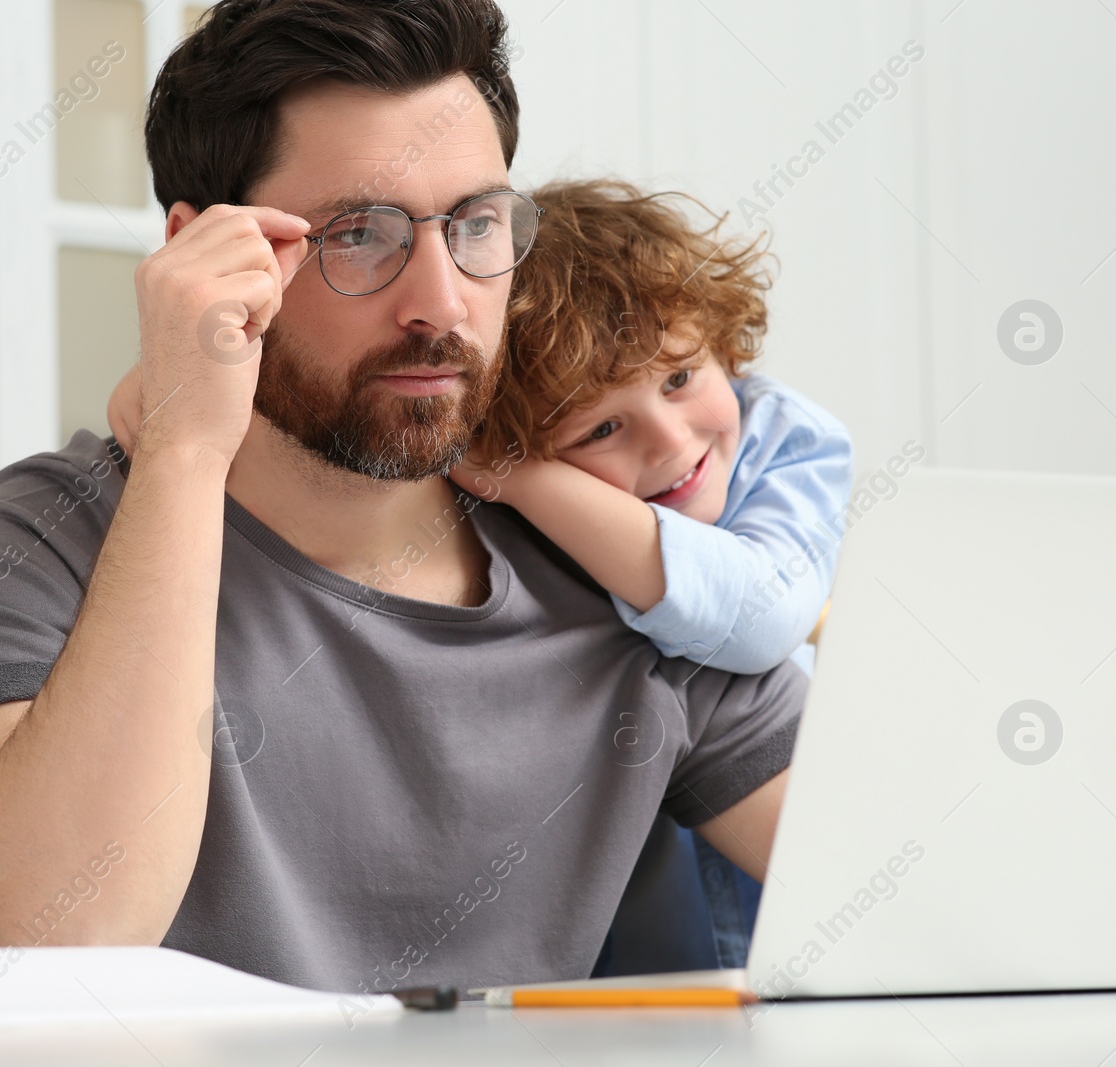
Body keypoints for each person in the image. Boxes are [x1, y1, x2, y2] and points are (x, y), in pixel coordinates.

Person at [0, 0, 804, 996]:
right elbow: (62, 941)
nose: (440, 302)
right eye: (359, 234)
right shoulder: (36, 542)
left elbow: (935, 902)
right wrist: (184, 451)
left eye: (475, 224)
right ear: (202, 255)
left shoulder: (620, 567)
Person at [106, 177, 854, 968]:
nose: (670, 442)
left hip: (779, 829)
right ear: (526, 435)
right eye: (603, 427)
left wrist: (521, 477)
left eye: (680, 378)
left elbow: (760, 617)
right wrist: (174, 384)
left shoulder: (787, 439)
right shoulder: (526, 544)